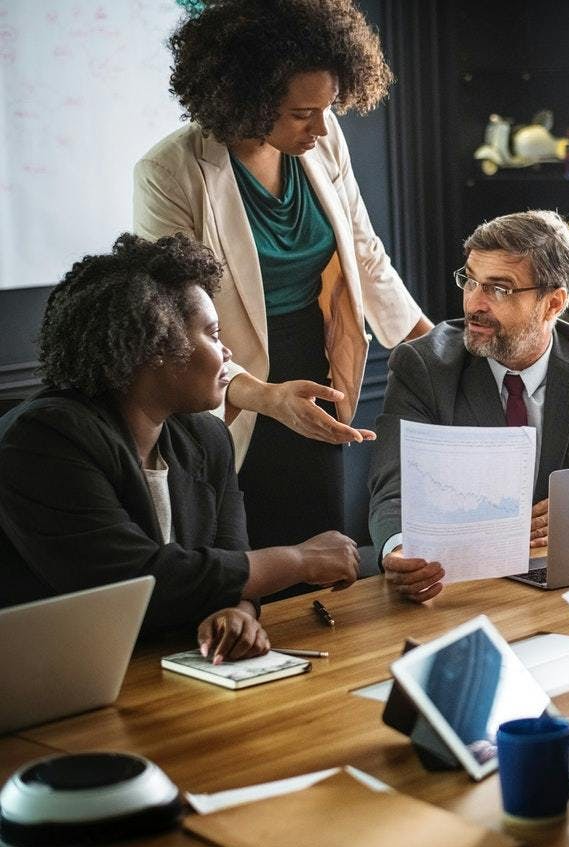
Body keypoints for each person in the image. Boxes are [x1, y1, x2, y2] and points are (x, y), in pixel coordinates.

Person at [133, 0, 432, 551]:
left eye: (329, 107)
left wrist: (435, 349)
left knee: (318, 544)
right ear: (246, 99)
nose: (321, 126)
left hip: (313, 366)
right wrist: (262, 396)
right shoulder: (169, 172)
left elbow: (364, 253)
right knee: (242, 553)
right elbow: (170, 321)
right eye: (301, 114)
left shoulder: (323, 135)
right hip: (224, 379)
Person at [0, 234, 360, 662]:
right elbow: (137, 581)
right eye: (213, 333)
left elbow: (229, 562)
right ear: (155, 346)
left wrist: (236, 611)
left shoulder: (205, 438)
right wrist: (298, 560)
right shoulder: (45, 439)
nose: (227, 351)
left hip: (161, 668)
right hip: (53, 676)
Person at [367, 210, 569, 603]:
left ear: (553, 303)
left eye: (499, 289)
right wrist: (399, 550)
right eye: (470, 280)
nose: (475, 303)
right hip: (465, 589)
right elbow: (394, 486)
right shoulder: (424, 366)